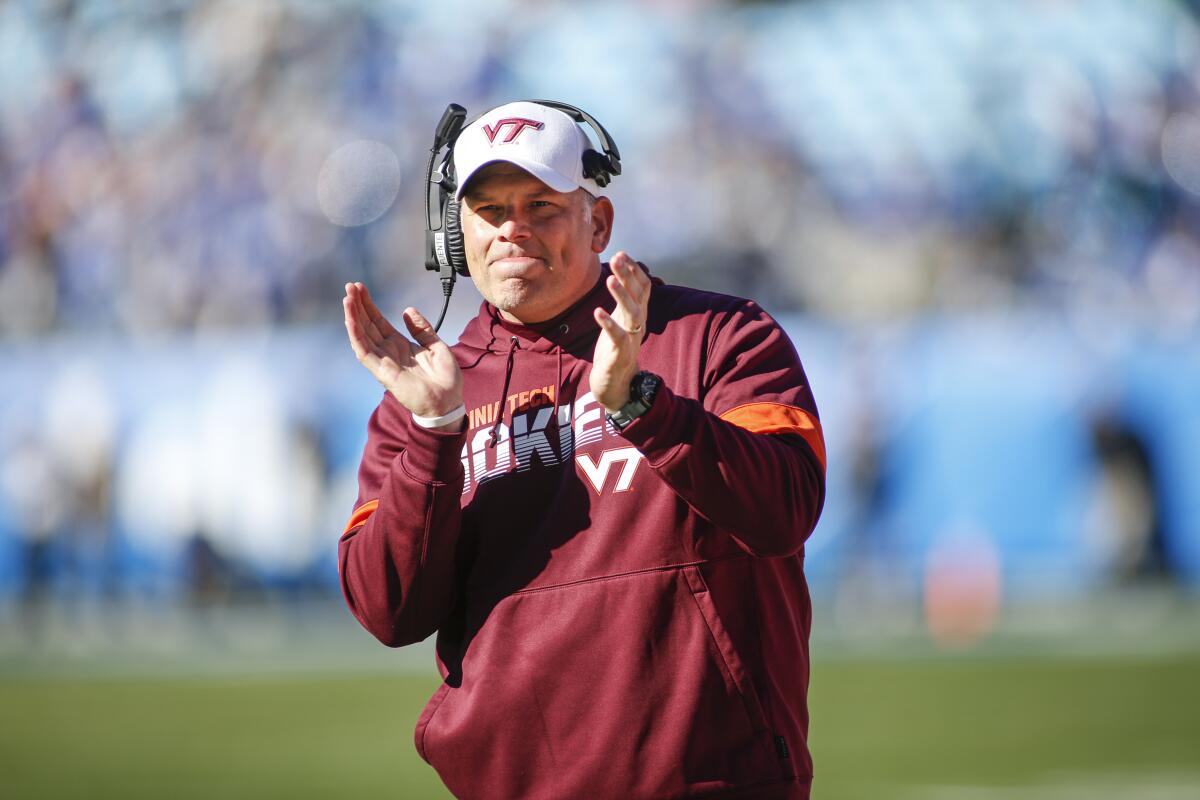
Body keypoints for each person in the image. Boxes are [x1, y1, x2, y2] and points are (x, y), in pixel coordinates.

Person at [339, 100, 827, 800]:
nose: (512, 228)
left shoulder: (721, 334)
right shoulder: (423, 395)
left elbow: (784, 512)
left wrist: (641, 403)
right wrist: (435, 435)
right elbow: (390, 612)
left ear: (597, 222)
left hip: (714, 781)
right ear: (456, 233)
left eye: (541, 205)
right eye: (489, 208)